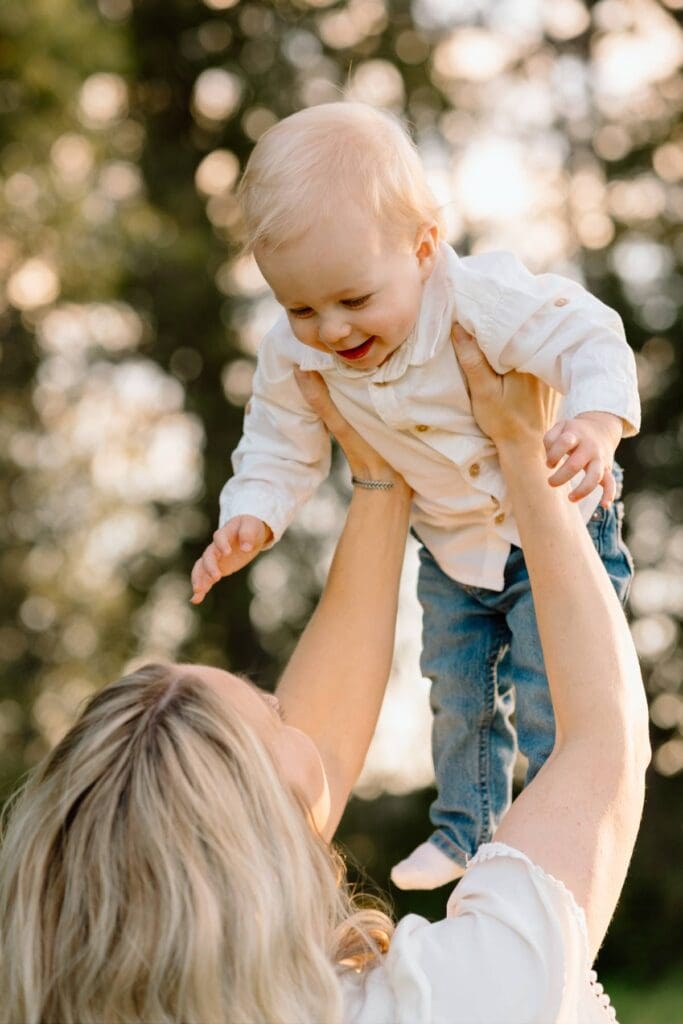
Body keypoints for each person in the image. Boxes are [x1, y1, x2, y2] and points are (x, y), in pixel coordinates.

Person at [0, 326, 648, 1023]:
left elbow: (307, 771)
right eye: (275, 713)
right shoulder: (447, 999)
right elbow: (599, 747)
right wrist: (522, 449)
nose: (297, 716)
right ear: (244, 838)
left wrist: (383, 477)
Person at [191, 101, 640, 890]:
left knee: (553, 694)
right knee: (456, 688)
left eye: (353, 300)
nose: (332, 330)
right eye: (300, 308)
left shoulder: (479, 297)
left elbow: (588, 337)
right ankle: (465, 831)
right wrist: (251, 514)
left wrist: (596, 423)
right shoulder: (294, 354)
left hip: (555, 524)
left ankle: (548, 848)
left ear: (424, 248)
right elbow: (276, 439)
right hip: (451, 545)